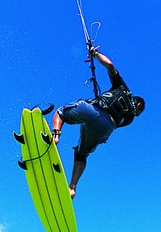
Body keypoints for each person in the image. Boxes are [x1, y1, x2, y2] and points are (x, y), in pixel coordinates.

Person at [52, 49, 145, 199]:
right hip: (105, 129)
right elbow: (110, 120)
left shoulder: (123, 88)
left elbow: (109, 65)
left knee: (60, 113)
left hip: (93, 111)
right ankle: (72, 187)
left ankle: (55, 137)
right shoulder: (130, 119)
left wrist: (95, 54)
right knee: (82, 154)